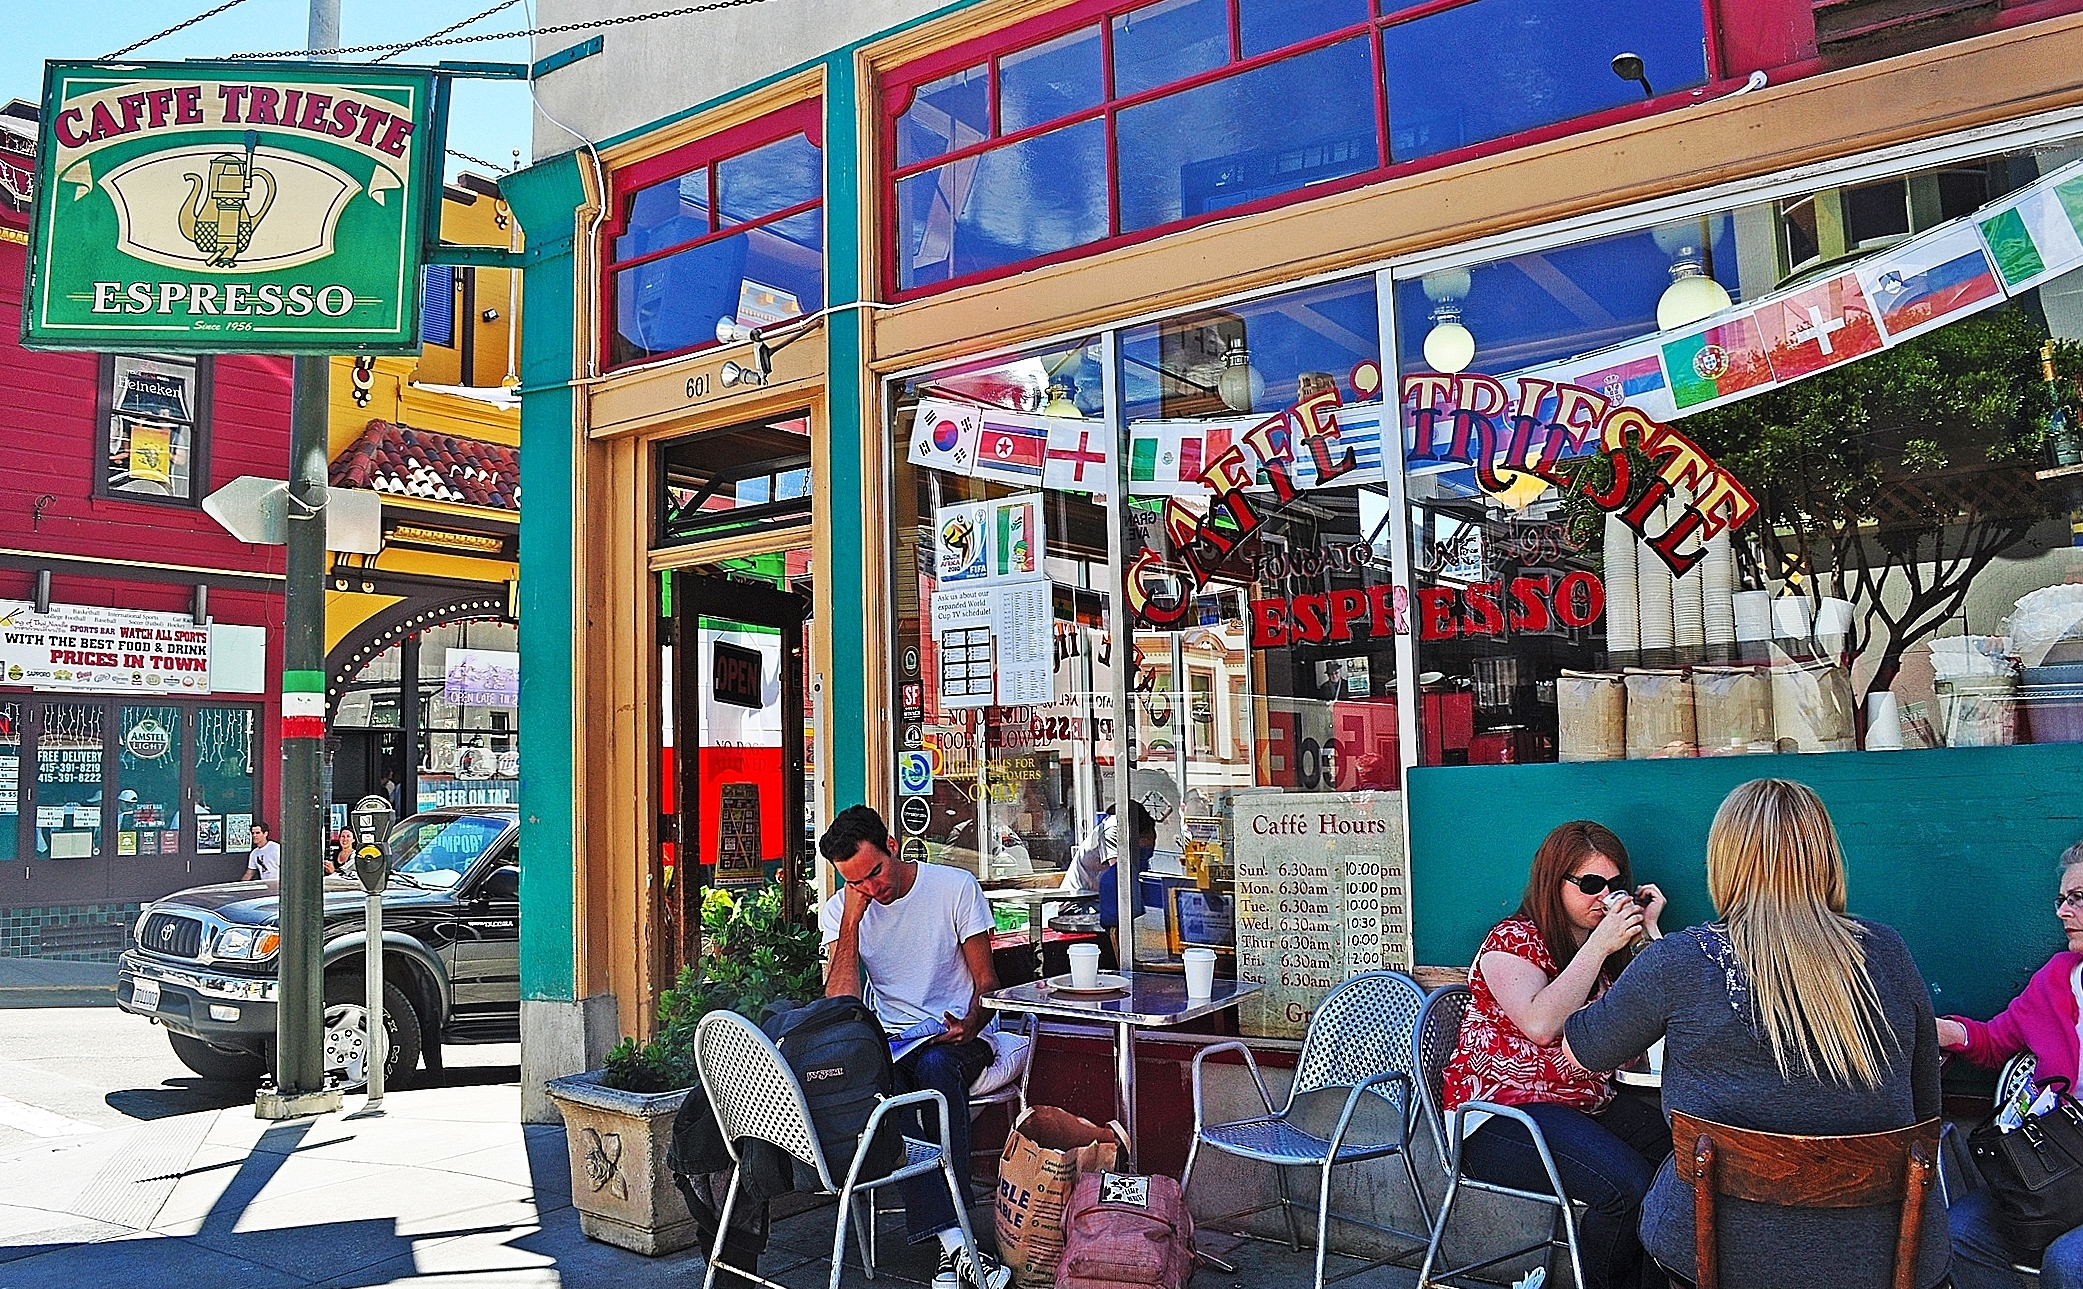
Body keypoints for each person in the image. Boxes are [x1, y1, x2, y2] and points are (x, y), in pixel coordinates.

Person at [1563, 779, 1945, 1289]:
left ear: (1724, 862)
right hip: (1887, 1258)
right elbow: (1927, 1107)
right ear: (1826, 858)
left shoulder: (1681, 961)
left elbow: (1582, 1047)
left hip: (1715, 1258)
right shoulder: (1888, 951)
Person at [1441, 820, 1671, 1289]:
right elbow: (1541, 1024)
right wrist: (1601, 945)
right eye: (1590, 884)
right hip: (1501, 1118)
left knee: (1681, 1164)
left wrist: (1649, 933)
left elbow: (1662, 1011)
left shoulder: (1604, 950)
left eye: (1614, 885)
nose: (1603, 896)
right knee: (1626, 1190)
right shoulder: (1511, 940)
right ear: (1554, 882)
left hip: (1585, 1105)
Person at [818, 805, 1010, 1289]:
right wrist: (851, 924)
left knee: (936, 1070)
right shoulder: (846, 911)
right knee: (889, 1092)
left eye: (875, 873)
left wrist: (970, 1022)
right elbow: (838, 1006)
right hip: (896, 1043)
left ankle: (953, 1243)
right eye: (855, 882)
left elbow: (987, 982)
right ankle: (957, 1245)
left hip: (959, 1036)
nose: (871, 889)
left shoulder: (952, 889)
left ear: (893, 848)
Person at [1941, 838, 2083, 1289]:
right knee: (1959, 1230)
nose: (2062, 912)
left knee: (2068, 1262)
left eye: (2077, 899)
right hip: (2057, 1170)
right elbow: (1995, 1039)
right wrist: (1939, 1030)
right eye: (2062, 899)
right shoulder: (2056, 978)